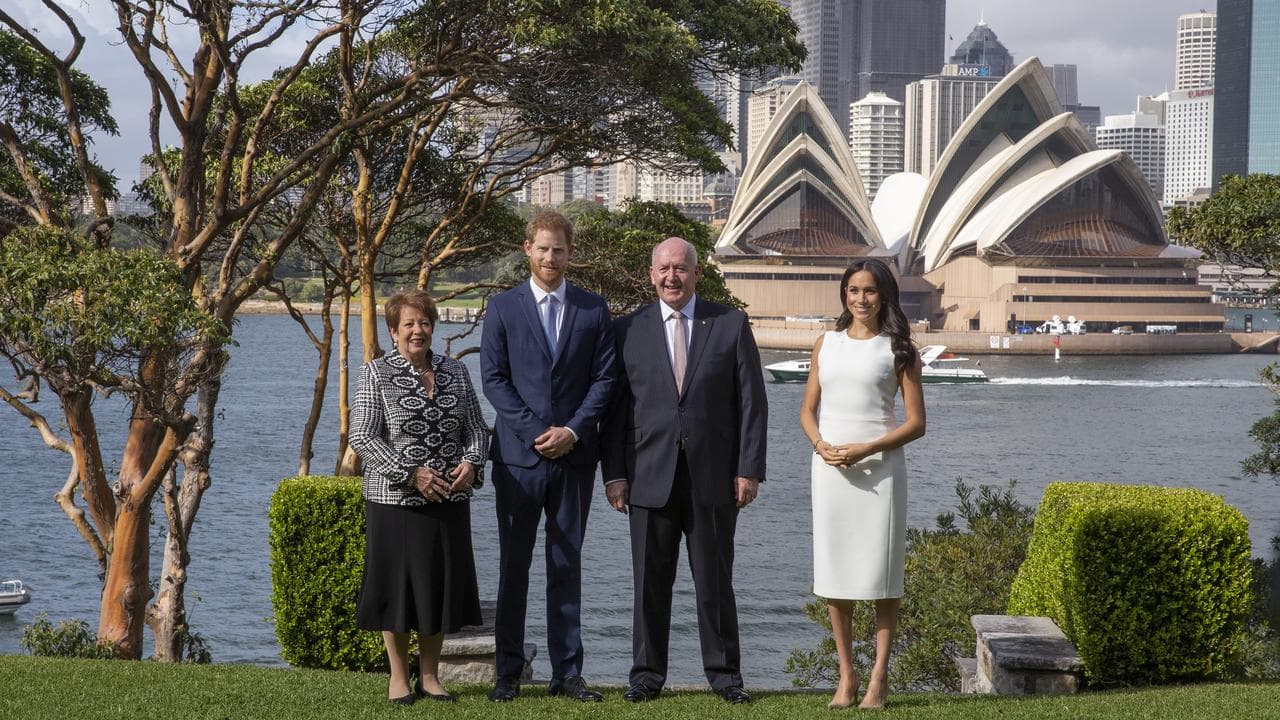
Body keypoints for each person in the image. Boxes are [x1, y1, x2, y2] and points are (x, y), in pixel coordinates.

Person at [603, 236, 768, 705]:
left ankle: (725, 678)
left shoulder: (730, 324)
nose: (672, 277)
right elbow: (614, 412)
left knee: (714, 584)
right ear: (651, 274)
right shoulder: (627, 329)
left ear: (697, 274)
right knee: (648, 586)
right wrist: (614, 474)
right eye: (664, 269)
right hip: (646, 477)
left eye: (681, 268)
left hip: (714, 478)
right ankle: (646, 677)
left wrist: (749, 469)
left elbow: (753, 404)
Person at [479, 210, 616, 702]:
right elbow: (493, 379)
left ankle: (567, 674)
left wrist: (574, 432)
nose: (550, 257)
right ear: (527, 251)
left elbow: (605, 380)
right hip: (518, 461)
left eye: (559, 249)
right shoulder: (502, 308)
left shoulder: (593, 309)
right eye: (542, 248)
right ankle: (507, 673)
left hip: (575, 460)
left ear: (570, 253)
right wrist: (541, 433)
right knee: (513, 568)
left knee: (566, 567)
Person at [349, 289, 489, 705]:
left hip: (449, 499)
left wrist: (472, 463)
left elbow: (478, 428)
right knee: (397, 590)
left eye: (424, 323)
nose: (417, 330)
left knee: (438, 588)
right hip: (394, 502)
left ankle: (430, 676)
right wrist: (411, 473)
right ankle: (398, 679)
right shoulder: (375, 373)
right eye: (408, 324)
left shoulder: (455, 373)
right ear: (393, 332)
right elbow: (362, 436)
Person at [798, 258, 926, 710]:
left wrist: (865, 449)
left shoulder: (901, 349)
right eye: (853, 290)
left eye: (869, 291)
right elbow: (807, 411)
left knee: (881, 576)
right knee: (835, 574)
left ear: (884, 295)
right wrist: (821, 445)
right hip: (830, 471)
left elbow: (916, 424)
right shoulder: (825, 344)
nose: (861, 299)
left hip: (881, 472)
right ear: (843, 294)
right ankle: (846, 676)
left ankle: (879, 678)